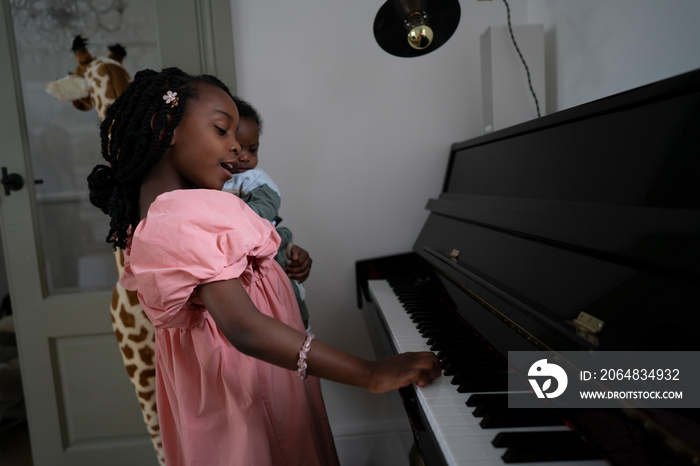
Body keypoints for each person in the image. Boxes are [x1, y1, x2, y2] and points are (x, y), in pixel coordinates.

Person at [87, 67, 441, 466]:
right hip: (251, 389)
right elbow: (244, 327)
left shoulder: (176, 211)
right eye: (222, 130)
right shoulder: (182, 215)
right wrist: (368, 372)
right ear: (164, 125)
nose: (237, 148)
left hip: (262, 377)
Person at [222, 96, 311, 328]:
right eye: (238, 148)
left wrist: (235, 219)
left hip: (266, 244)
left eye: (253, 149)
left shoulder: (254, 177)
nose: (245, 156)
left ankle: (303, 325)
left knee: (289, 292)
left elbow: (266, 205)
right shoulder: (212, 177)